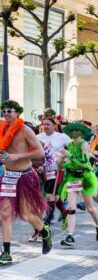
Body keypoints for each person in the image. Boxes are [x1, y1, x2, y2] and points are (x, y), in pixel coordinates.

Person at [0, 100, 52, 264]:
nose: (6, 113)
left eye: (10, 111)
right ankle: (6, 253)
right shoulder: (2, 129)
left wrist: (17, 156)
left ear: (17, 112)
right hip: (8, 176)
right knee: (4, 214)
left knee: (26, 214)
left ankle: (44, 231)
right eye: (4, 111)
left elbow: (40, 153)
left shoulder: (25, 130)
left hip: (25, 176)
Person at [57, 122, 98, 246]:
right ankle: (70, 236)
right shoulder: (69, 145)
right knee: (71, 208)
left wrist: (70, 156)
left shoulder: (84, 145)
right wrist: (62, 161)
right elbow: (66, 162)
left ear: (81, 133)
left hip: (84, 177)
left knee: (89, 208)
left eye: (76, 131)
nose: (73, 133)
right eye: (71, 131)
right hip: (72, 177)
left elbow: (84, 163)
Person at [36, 116, 71, 230]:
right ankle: (65, 213)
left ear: (54, 125)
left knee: (50, 196)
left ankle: (47, 220)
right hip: (43, 171)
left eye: (48, 124)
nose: (45, 126)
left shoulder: (62, 137)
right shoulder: (38, 137)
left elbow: (73, 149)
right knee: (54, 197)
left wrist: (66, 158)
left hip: (57, 169)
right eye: (43, 124)